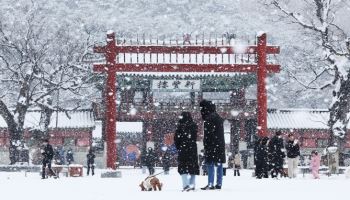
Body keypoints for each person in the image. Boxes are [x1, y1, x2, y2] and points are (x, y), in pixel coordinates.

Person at [199, 100, 226, 190]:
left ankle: (210, 184)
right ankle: (219, 183)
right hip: (220, 145)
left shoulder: (209, 119)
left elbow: (208, 135)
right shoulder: (218, 117)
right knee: (219, 164)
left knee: (210, 164)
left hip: (212, 145)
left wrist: (206, 145)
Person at [174, 112, 199, 191]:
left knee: (183, 167)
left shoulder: (180, 126)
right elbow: (194, 138)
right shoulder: (194, 126)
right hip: (192, 149)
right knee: (193, 167)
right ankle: (192, 184)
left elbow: (176, 139)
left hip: (183, 149)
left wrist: (180, 147)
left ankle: (185, 185)